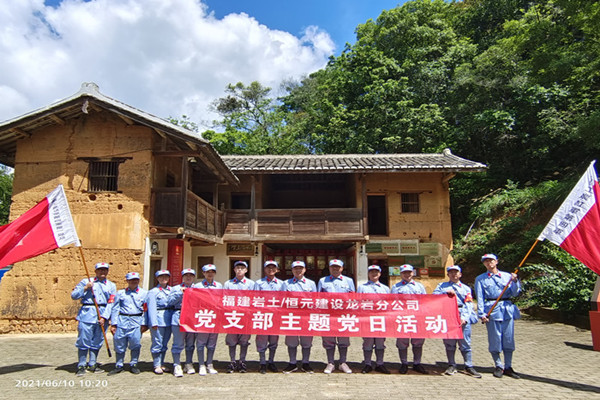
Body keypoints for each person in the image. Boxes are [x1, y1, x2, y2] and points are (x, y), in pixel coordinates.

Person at [475, 253, 521, 379]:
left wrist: (515, 281)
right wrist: (481, 314)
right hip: (492, 310)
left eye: (491, 260)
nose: (489, 263)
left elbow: (515, 293)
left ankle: (508, 366)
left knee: (508, 339)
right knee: (495, 339)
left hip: (506, 309)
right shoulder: (481, 279)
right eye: (486, 261)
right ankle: (498, 365)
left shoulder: (507, 276)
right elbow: (480, 297)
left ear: (496, 261)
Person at [433, 265, 481, 378]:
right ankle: (451, 364)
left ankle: (468, 365)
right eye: (451, 272)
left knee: (465, 342)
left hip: (461, 313)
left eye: (456, 272)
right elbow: (434, 297)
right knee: (449, 342)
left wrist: (464, 317)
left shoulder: (466, 288)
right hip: (447, 315)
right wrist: (445, 293)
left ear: (460, 274)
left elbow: (469, 304)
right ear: (448, 274)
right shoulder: (441, 286)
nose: (454, 274)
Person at [71, 262, 117, 377]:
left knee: (97, 340)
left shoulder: (111, 285)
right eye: (100, 270)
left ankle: (92, 363)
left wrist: (105, 317)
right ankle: (81, 364)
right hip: (87, 314)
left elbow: (111, 302)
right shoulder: (86, 281)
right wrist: (85, 288)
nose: (102, 272)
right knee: (83, 340)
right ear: (95, 271)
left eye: (105, 270)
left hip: (103, 313)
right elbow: (74, 295)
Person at [318, 259, 356, 374]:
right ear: (329, 268)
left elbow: (353, 298)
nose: (335, 269)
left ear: (342, 268)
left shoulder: (349, 281)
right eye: (333, 267)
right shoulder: (322, 281)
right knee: (329, 340)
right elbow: (318, 298)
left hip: (343, 315)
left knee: (343, 340)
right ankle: (330, 363)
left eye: (337, 267)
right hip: (328, 315)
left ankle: (342, 362)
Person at [108, 272, 148, 375]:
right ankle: (119, 364)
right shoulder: (121, 293)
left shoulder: (144, 293)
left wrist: (144, 323)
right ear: (127, 281)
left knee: (135, 343)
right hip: (122, 320)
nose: (134, 282)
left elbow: (146, 309)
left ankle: (134, 364)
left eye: (136, 280)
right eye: (131, 280)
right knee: (119, 343)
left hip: (136, 321)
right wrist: (114, 323)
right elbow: (115, 308)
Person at [281, 260, 317, 373]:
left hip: (306, 317)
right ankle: (292, 363)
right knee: (291, 341)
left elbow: (315, 300)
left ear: (304, 270)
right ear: (292, 270)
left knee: (306, 342)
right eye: (295, 268)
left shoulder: (311, 284)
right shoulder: (286, 283)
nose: (298, 270)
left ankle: (306, 363)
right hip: (291, 317)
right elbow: (282, 300)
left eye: (300, 268)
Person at [390, 264, 427, 374]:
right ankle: (404, 363)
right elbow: (393, 303)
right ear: (401, 274)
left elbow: (425, 302)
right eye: (404, 273)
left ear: (413, 273)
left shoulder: (420, 287)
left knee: (418, 342)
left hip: (417, 318)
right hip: (403, 318)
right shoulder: (396, 287)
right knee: (402, 342)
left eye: (409, 272)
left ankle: (417, 363)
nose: (407, 274)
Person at [357, 265, 390, 374]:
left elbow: (389, 304)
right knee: (368, 342)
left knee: (380, 343)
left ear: (380, 274)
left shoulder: (385, 288)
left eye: (376, 272)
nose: (374, 274)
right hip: (367, 319)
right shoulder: (362, 288)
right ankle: (368, 364)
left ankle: (380, 363)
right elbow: (358, 303)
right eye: (371, 272)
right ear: (368, 274)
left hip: (381, 319)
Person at [223, 260, 255, 373]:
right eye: (237, 268)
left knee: (244, 340)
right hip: (232, 316)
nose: (240, 270)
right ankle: (232, 361)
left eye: (242, 268)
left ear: (246, 270)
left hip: (246, 316)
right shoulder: (228, 284)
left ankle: (242, 361)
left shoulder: (251, 284)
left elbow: (254, 299)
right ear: (234, 270)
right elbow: (224, 299)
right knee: (232, 341)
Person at [254, 260, 284, 373]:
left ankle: (271, 361)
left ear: (277, 270)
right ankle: (262, 362)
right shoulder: (259, 283)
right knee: (262, 340)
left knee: (273, 340)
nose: (271, 269)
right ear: (264, 269)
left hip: (276, 316)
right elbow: (255, 299)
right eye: (268, 267)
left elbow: (284, 299)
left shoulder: (281, 284)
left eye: (273, 267)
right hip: (263, 316)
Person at [192, 264, 223, 375]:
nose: (210, 274)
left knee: (212, 343)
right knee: (201, 342)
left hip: (215, 317)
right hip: (203, 316)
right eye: (207, 272)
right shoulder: (197, 286)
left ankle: (209, 364)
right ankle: (201, 364)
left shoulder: (219, 285)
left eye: (212, 272)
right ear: (203, 273)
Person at [168, 268, 198, 377]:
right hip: (178, 316)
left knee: (190, 343)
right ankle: (177, 364)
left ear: (194, 277)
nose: (188, 277)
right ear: (182, 277)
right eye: (186, 275)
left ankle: (188, 363)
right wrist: (180, 294)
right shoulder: (175, 288)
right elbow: (169, 302)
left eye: (190, 275)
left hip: (192, 317)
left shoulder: (198, 288)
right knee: (178, 343)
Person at [146, 269, 173, 375]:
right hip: (158, 319)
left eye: (166, 277)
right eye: (161, 277)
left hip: (169, 319)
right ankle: (156, 364)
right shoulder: (153, 292)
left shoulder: (171, 290)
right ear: (157, 278)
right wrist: (153, 322)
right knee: (157, 343)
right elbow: (151, 307)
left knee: (164, 343)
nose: (164, 279)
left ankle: (162, 363)